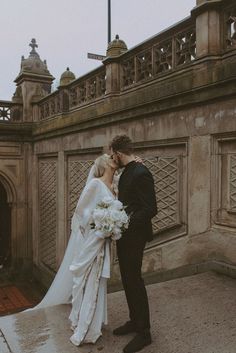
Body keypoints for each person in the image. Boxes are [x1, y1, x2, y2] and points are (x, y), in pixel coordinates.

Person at [31, 154, 118, 346]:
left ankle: (95, 322)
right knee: (88, 279)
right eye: (109, 157)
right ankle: (85, 326)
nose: (112, 158)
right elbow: (81, 210)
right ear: (104, 164)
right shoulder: (95, 184)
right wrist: (101, 222)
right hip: (93, 239)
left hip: (104, 241)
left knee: (99, 280)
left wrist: (112, 224)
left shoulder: (115, 185)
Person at [110, 135, 157, 353]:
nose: (112, 158)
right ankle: (134, 321)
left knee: (134, 279)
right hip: (125, 235)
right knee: (127, 279)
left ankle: (144, 332)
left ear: (119, 153)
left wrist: (125, 222)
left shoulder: (141, 172)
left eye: (113, 154)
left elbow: (150, 209)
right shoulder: (128, 170)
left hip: (135, 235)